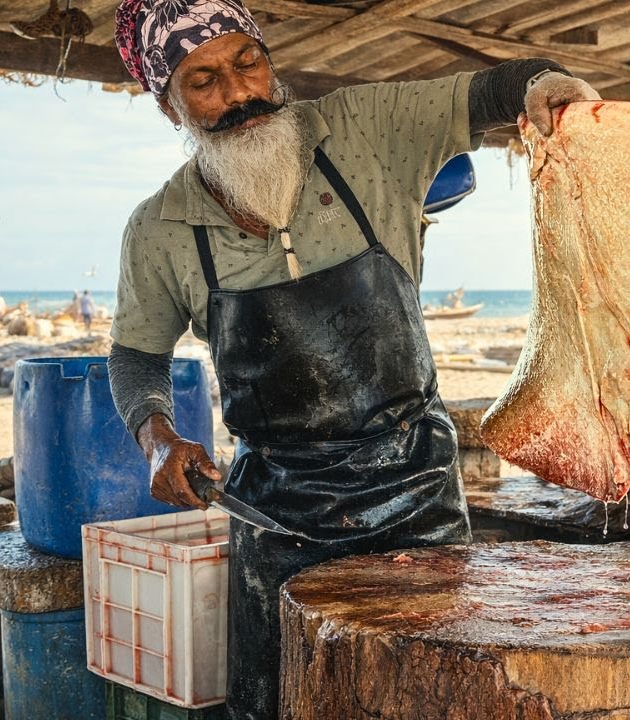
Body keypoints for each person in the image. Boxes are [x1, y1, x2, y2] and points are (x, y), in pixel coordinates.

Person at [105, 1, 599, 717]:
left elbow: (498, 90)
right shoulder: (158, 229)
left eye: (248, 61)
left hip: (419, 499)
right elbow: (135, 357)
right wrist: (155, 437)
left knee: (432, 697)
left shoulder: (367, 127)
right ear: (168, 105)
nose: (240, 94)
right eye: (204, 81)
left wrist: (545, 91)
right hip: (278, 519)